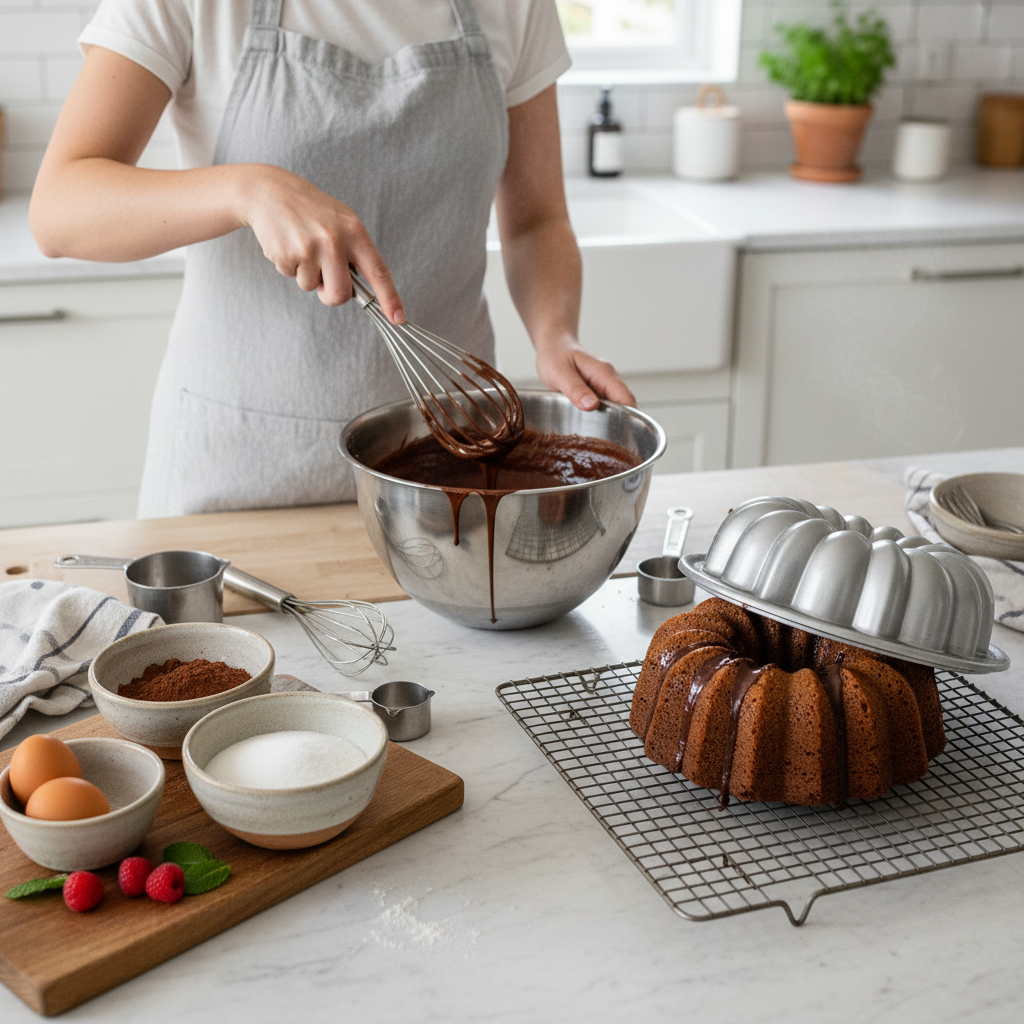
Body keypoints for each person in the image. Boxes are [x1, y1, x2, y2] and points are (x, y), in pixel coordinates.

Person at [30, 0, 636, 516]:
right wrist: (247, 189)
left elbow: (537, 220)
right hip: (236, 473)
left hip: (448, 468)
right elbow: (60, 208)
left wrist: (556, 332)